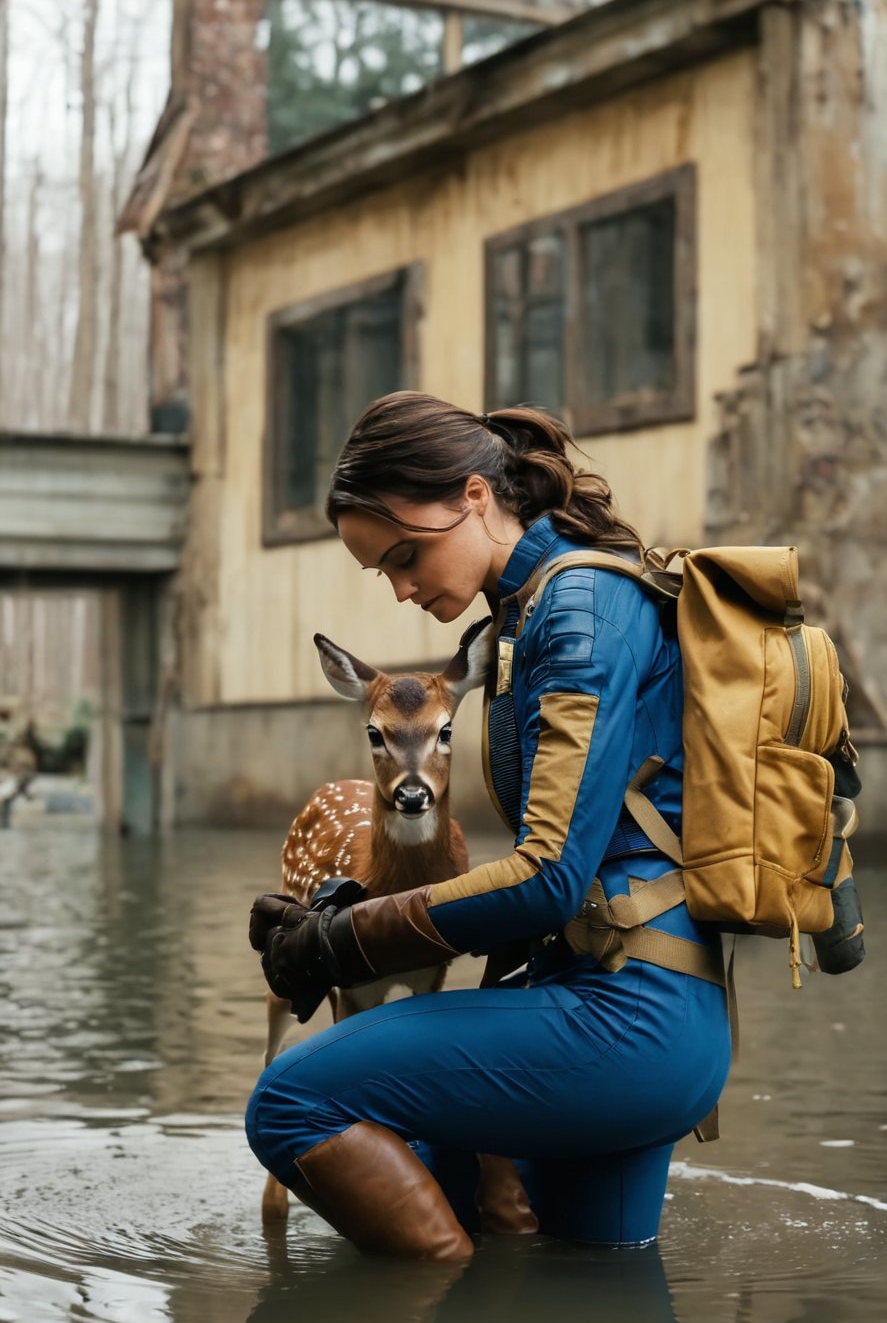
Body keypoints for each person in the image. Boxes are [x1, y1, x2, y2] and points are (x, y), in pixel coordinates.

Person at [246, 392, 731, 1261]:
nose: (399, 588)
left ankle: (439, 1309)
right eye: (379, 573)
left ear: (474, 497)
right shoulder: (531, 613)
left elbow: (547, 876)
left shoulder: (577, 612)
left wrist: (342, 940)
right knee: (583, 1274)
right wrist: (355, 909)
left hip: (625, 1022)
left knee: (289, 1099)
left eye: (404, 554)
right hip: (620, 1011)